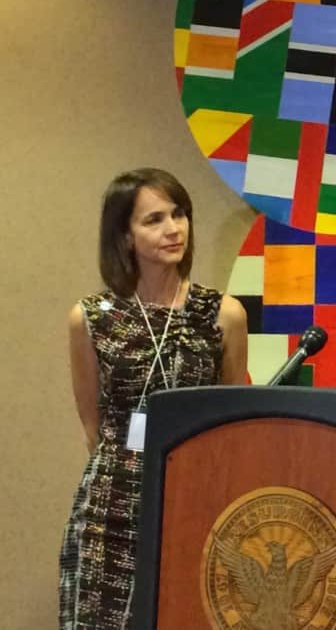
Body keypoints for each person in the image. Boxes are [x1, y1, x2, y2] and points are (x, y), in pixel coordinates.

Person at [59, 168, 248, 629]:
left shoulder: (222, 313)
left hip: (196, 496)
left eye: (179, 214)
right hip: (111, 503)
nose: (174, 228)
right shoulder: (91, 317)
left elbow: (235, 420)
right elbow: (93, 425)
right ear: (125, 235)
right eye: (154, 219)